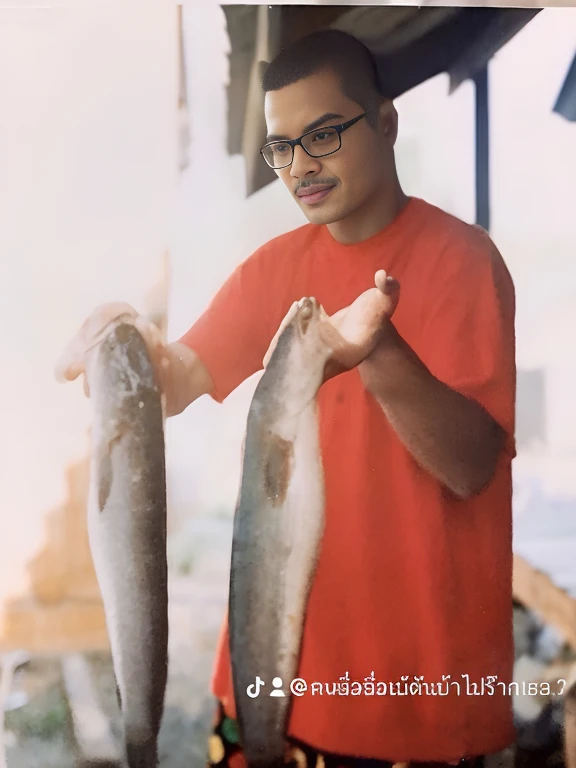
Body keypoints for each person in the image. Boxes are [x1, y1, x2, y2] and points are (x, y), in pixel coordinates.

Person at [56, 29, 517, 768]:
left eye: (324, 134)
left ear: (387, 123)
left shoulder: (462, 262)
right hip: (263, 685)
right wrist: (125, 345)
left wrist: (382, 355)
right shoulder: (276, 270)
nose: (300, 165)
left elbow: (471, 465)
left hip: (414, 710)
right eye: (281, 146)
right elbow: (174, 381)